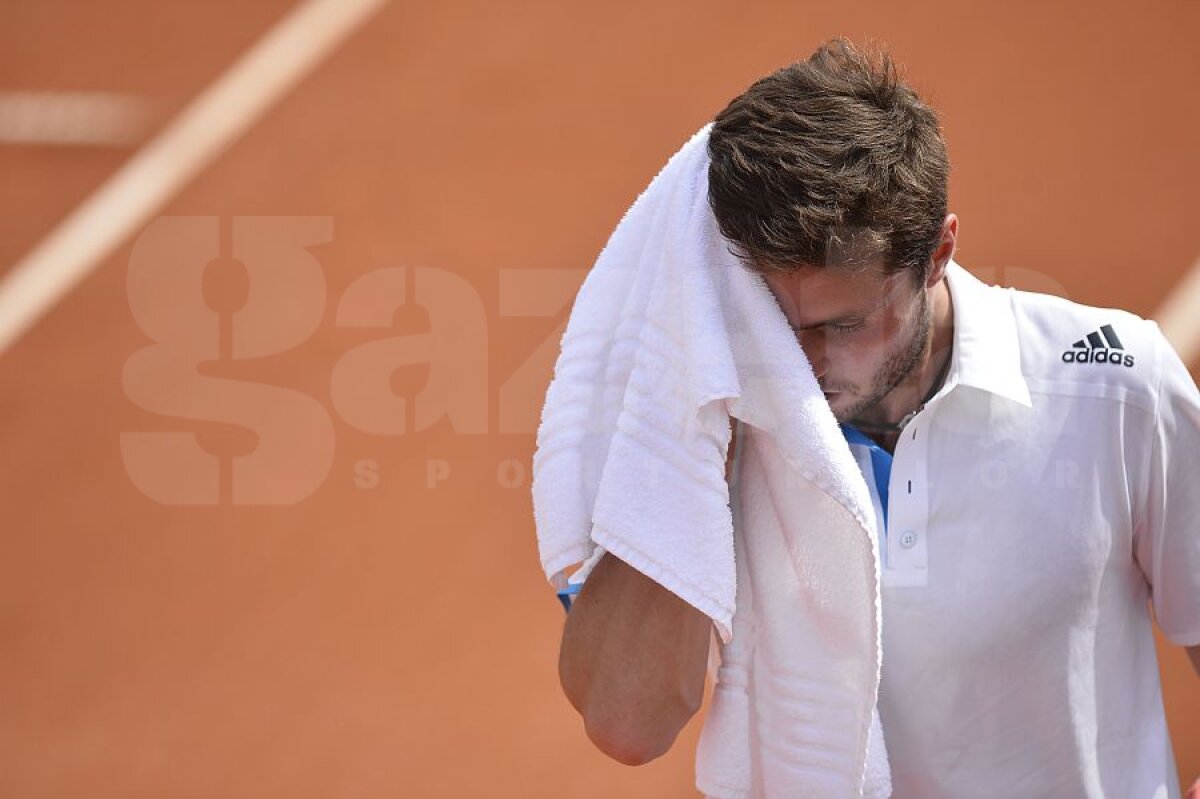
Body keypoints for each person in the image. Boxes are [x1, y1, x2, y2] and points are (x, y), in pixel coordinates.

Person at [556, 39, 1200, 797]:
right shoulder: (717, 416)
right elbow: (627, 724)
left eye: (843, 323)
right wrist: (694, 433)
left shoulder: (1115, 384)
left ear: (936, 253)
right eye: (773, 320)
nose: (800, 359)